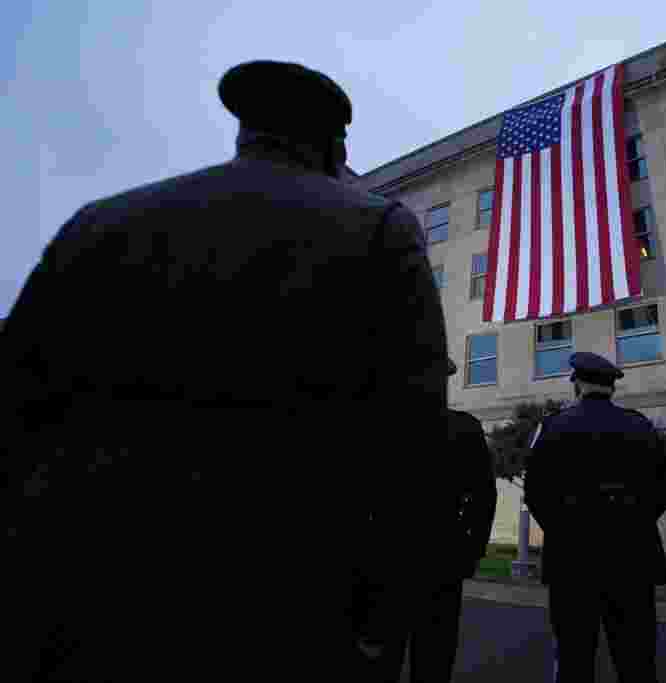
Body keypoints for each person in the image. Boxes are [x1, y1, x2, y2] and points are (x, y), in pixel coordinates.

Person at [1, 60, 448, 681]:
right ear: (332, 146)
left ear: (244, 132)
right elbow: (412, 443)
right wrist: (379, 625)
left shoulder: (98, 224)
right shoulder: (375, 228)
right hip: (285, 615)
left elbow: (18, 413)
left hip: (85, 607)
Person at [525, 352, 666, 683]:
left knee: (574, 659)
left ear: (577, 384)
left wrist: (566, 531)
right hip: (632, 560)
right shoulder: (640, 425)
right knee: (636, 661)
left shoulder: (552, 426)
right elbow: (663, 492)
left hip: (573, 562)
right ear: (612, 388)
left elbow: (535, 493)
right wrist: (630, 525)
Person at [365, 357, 498, 682]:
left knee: (381, 661)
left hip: (386, 559)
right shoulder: (464, 428)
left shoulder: (380, 426)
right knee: (434, 662)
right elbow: (484, 498)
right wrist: (471, 551)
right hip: (443, 560)